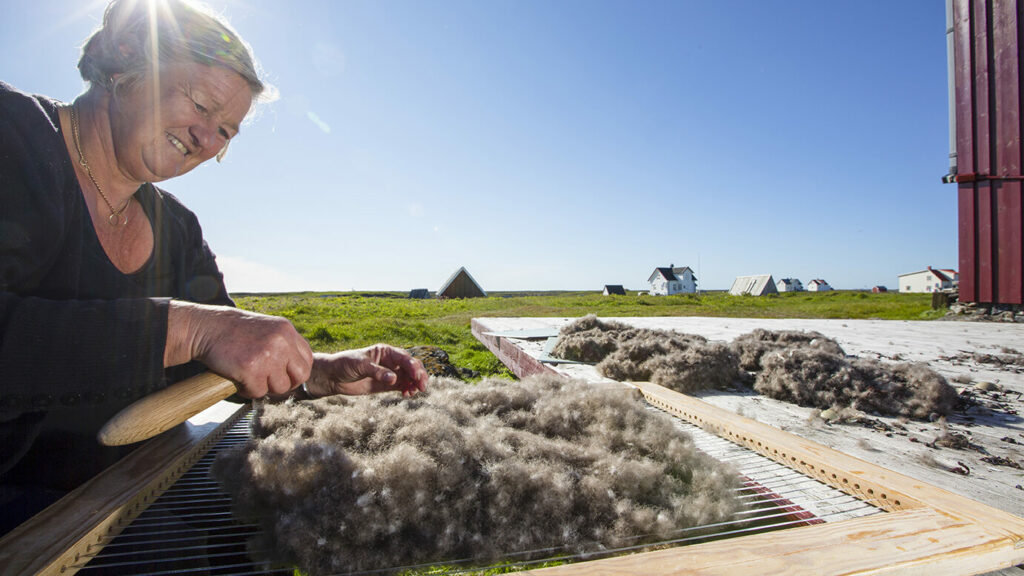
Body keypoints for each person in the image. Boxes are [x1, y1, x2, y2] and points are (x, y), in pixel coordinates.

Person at [0, 0, 427, 533]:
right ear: (130, 56)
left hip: (128, 492)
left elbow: (223, 355)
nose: (206, 139)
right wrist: (191, 329)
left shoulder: (178, 229)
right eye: (200, 104)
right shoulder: (14, 136)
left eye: (226, 131)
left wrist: (316, 371)